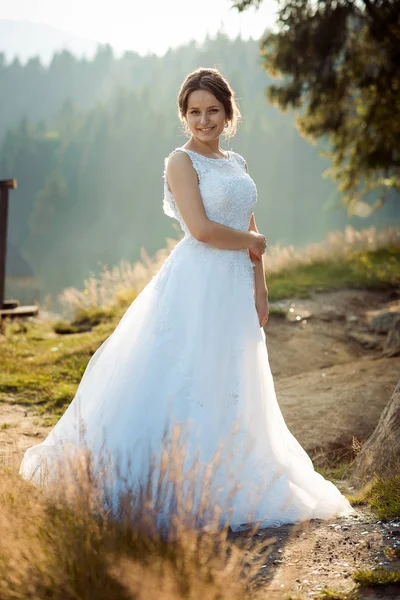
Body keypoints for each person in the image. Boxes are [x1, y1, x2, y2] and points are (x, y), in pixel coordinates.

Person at [19, 67, 354, 532]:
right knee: (184, 373)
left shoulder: (236, 163)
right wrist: (254, 246)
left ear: (227, 113)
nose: (204, 120)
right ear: (184, 115)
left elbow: (250, 226)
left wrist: (261, 284)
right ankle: (162, 477)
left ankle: (229, 465)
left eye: (213, 111)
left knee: (230, 374)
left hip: (236, 284)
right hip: (197, 282)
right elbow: (201, 229)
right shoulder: (180, 161)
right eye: (194, 112)